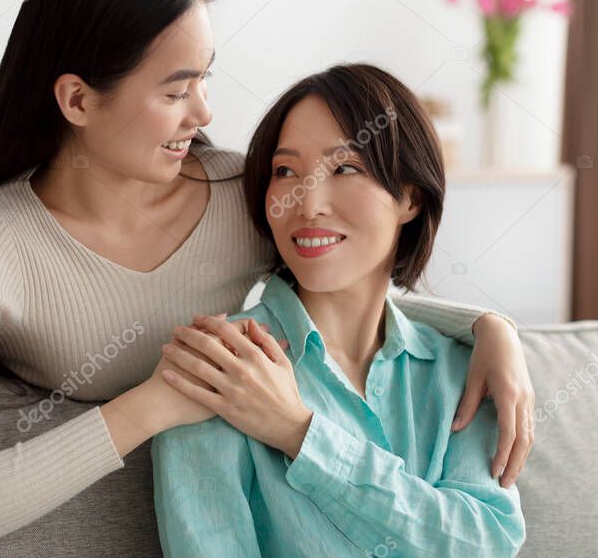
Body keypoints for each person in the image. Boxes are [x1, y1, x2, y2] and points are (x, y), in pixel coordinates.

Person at [0, 0, 533, 557]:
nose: (204, 113)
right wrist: (152, 405)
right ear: (78, 99)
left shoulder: (242, 194)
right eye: (176, 91)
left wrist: (486, 328)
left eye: (205, 80)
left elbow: (342, 271)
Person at [152, 64, 526, 557]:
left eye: (345, 168)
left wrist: (300, 434)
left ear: (410, 196)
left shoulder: (464, 370)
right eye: (285, 172)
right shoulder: (220, 370)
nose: (307, 204)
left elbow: (487, 542)